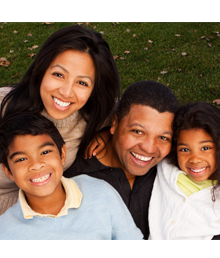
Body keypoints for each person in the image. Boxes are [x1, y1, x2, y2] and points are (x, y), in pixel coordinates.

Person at [0, 25, 121, 215]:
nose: (66, 92)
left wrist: (108, 133)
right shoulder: (4, 105)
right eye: (58, 74)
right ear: (41, 70)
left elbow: (141, 116)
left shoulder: (93, 114)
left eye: (82, 83)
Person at [64, 80, 179, 239]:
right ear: (114, 123)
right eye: (138, 132)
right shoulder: (73, 181)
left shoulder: (172, 171)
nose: (149, 148)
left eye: (163, 137)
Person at [0, 113, 142, 240]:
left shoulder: (101, 192)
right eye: (21, 159)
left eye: (45, 152)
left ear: (62, 155)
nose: (36, 165)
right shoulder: (5, 233)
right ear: (8, 171)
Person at [148, 102, 220, 240]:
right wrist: (105, 133)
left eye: (205, 148)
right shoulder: (166, 168)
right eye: (185, 150)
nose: (194, 159)